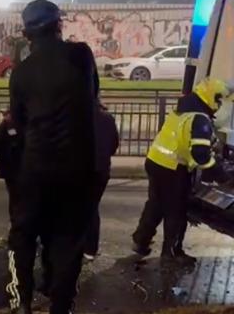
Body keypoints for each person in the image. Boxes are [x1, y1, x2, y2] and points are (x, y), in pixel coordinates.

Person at [7, 0, 99, 314]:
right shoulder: (82, 56)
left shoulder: (21, 73)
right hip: (77, 170)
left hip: (35, 167)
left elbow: (18, 121)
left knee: (22, 237)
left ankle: (20, 308)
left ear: (27, 32)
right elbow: (92, 97)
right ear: (59, 25)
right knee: (67, 244)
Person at [132, 78, 232, 266]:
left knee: (156, 203)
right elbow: (200, 155)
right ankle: (172, 252)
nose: (220, 105)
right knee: (176, 211)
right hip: (173, 168)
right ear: (212, 98)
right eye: (219, 100)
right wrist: (221, 176)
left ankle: (141, 240)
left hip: (155, 161)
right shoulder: (200, 119)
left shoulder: (183, 110)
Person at [85, 103, 119, 260]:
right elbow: (114, 144)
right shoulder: (108, 118)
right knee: (92, 208)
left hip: (81, 169)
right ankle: (90, 249)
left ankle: (74, 245)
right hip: (102, 169)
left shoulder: (76, 115)